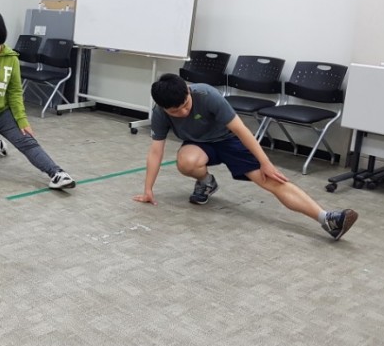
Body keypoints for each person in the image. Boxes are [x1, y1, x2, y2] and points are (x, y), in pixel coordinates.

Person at [132, 73, 357, 240]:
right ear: (163, 108)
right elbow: (156, 151)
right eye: (175, 112)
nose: (183, 113)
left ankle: (327, 219)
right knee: (186, 162)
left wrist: (266, 163)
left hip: (229, 140)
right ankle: (206, 182)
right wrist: (148, 189)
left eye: (185, 106)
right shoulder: (160, 113)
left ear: (188, 92)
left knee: (272, 180)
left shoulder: (207, 95)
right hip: (199, 146)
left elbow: (241, 130)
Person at [0, 10, 76, 189]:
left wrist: (22, 120)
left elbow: (15, 92)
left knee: (27, 141)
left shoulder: (11, 59)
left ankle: (57, 174)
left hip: (2, 115)